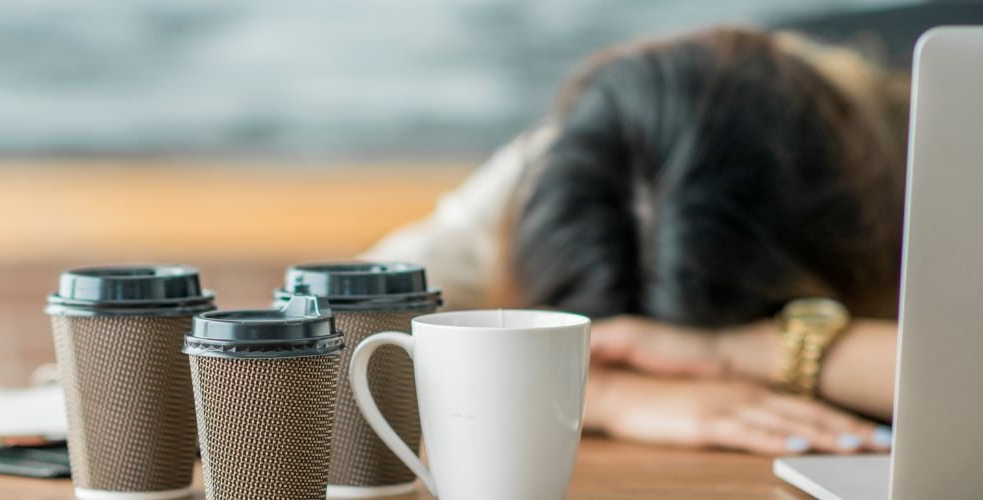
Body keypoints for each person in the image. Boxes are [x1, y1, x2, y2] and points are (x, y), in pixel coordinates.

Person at [363, 27, 908, 455]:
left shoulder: (935, 143)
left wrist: (744, 351)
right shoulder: (572, 164)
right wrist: (599, 395)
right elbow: (330, 342)